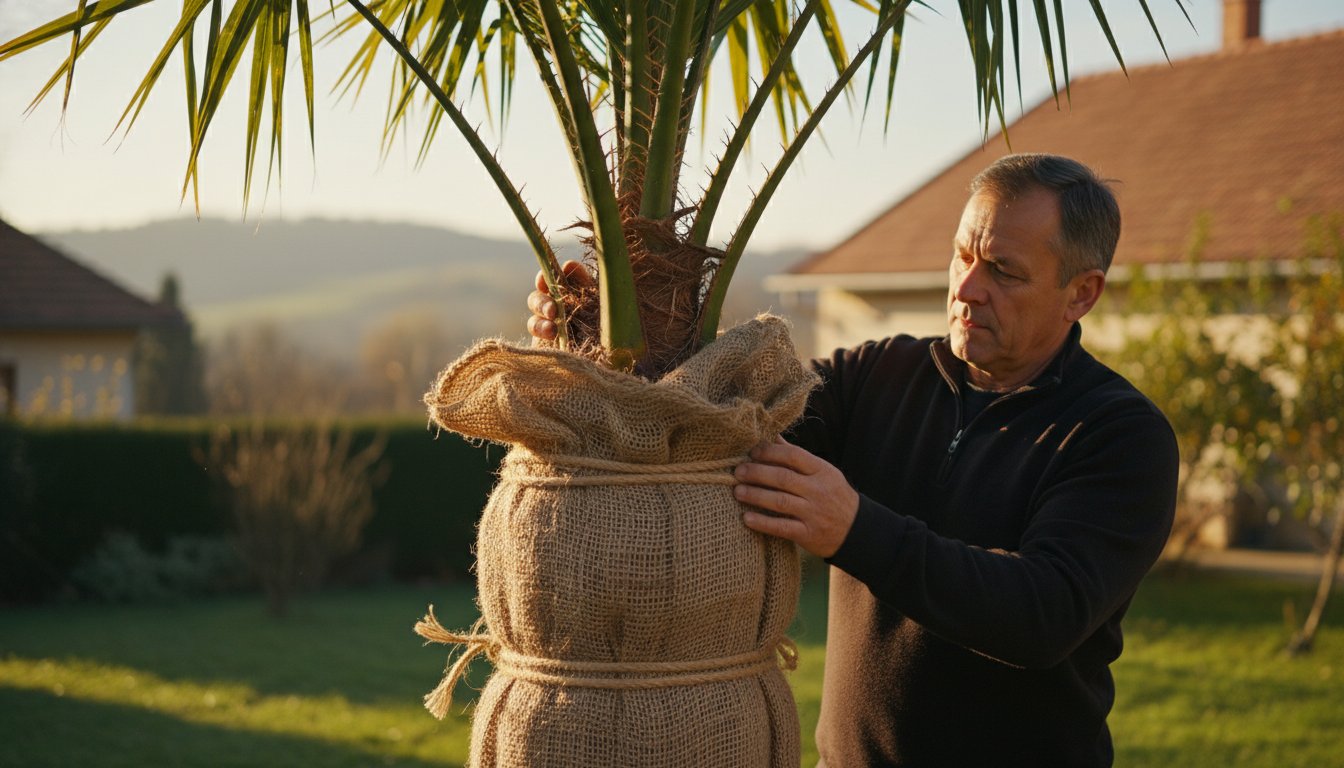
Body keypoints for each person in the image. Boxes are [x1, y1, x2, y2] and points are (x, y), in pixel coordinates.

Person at [527, 153, 1178, 767]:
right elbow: (712, 434)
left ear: (1081, 293)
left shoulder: (1120, 435)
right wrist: (591, 356)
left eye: (1004, 271)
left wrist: (855, 530)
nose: (968, 288)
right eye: (962, 256)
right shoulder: (879, 374)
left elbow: (1044, 613)